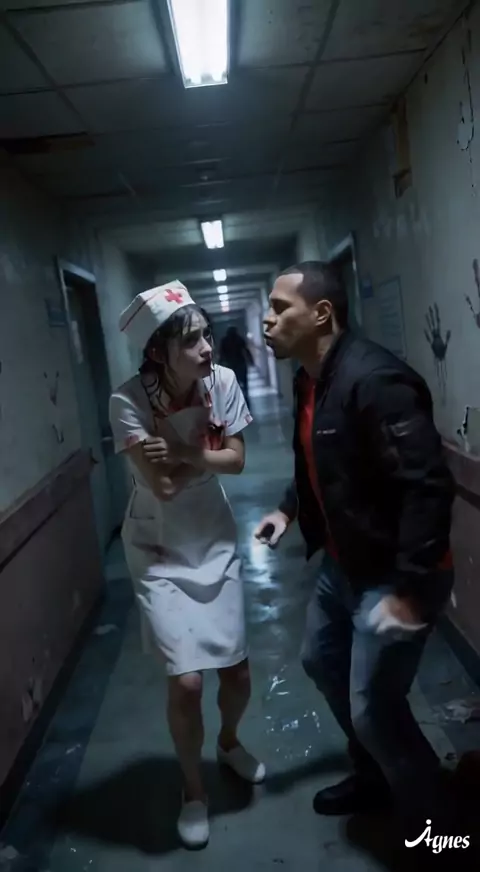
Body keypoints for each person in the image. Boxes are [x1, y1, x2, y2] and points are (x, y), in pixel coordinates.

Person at [254, 262, 455, 838]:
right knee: (321, 661)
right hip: (343, 564)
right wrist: (287, 509)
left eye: (279, 308)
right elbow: (321, 462)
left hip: (395, 573)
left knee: (375, 708)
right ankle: (375, 776)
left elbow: (427, 486)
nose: (267, 320)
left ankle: (442, 834)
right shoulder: (310, 379)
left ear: (322, 314)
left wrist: (410, 591)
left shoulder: (377, 382)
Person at [109, 281, 264, 849]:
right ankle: (193, 790)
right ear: (158, 352)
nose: (207, 348)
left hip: (213, 536)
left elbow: (239, 462)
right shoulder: (128, 402)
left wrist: (176, 449)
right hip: (158, 547)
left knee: (237, 672)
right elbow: (165, 489)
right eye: (192, 341)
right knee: (187, 682)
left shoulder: (221, 382)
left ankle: (228, 742)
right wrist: (202, 457)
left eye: (206, 336)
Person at [219, 326, 253, 406]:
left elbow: (221, 353)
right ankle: (244, 394)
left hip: (230, 364)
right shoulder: (239, 339)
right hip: (240, 362)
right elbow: (246, 350)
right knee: (243, 381)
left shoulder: (225, 340)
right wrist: (251, 360)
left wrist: (220, 362)